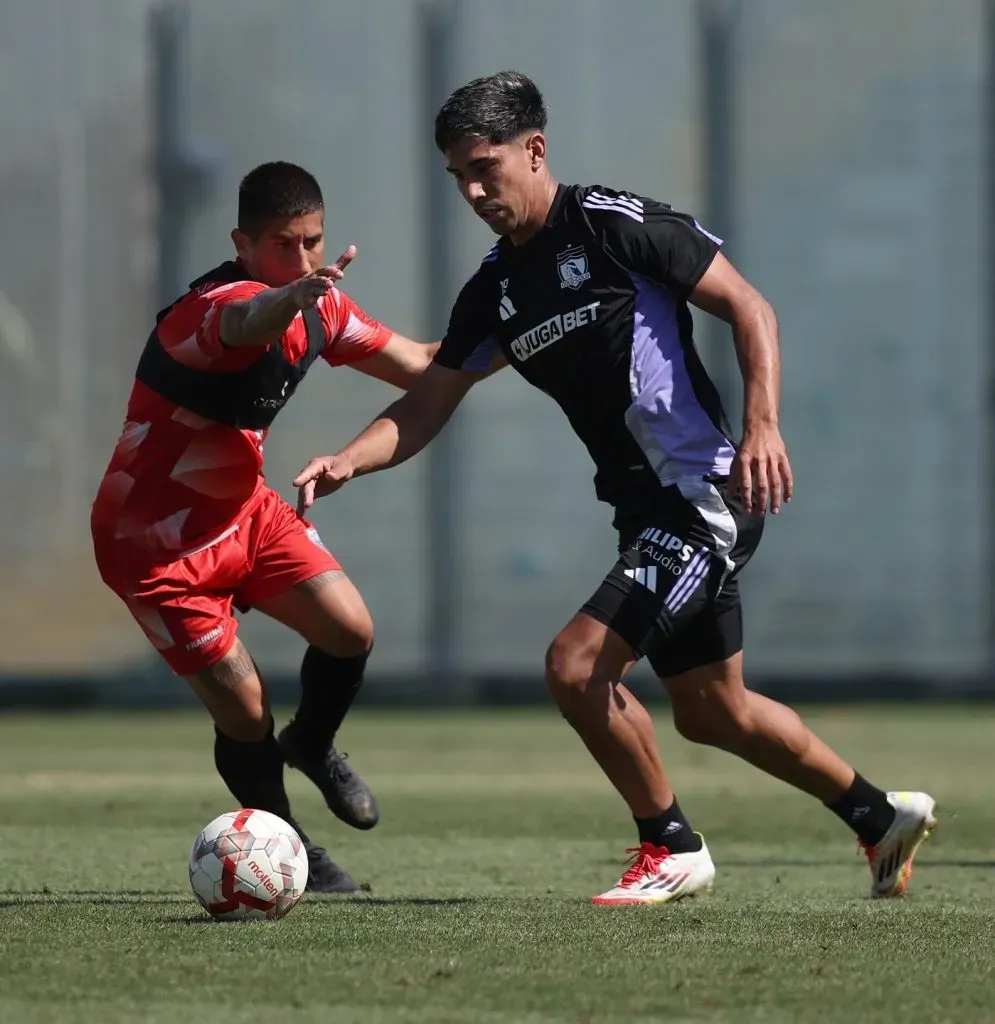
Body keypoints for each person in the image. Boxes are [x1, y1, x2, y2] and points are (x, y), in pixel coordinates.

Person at [293, 73, 938, 904]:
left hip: (703, 496)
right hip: (645, 513)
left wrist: (763, 425)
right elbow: (426, 403)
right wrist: (348, 458)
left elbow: (750, 308)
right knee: (711, 710)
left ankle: (671, 846)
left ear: (534, 150)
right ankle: (878, 816)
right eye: (458, 177)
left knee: (575, 667)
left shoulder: (613, 226)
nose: (474, 192)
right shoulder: (493, 291)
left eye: (485, 168)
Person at [91, 161, 438, 892]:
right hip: (153, 544)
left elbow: (421, 365)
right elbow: (248, 323)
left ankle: (311, 742)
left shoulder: (321, 304)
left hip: (245, 512)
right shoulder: (209, 311)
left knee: (350, 630)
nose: (304, 260)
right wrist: (288, 297)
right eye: (284, 245)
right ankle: (291, 847)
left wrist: (519, 332)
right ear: (242, 244)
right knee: (246, 711)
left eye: (313, 242)